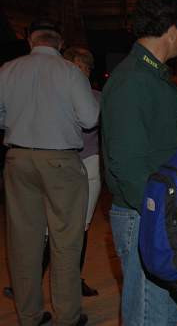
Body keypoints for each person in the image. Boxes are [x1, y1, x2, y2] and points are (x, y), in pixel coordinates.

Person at [0, 20, 98, 326]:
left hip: (17, 158)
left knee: (23, 241)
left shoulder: (7, 70)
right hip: (60, 161)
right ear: (60, 42)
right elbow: (90, 118)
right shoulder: (70, 73)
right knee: (66, 241)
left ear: (30, 40)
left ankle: (29, 316)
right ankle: (67, 316)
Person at [101, 0, 177, 326]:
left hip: (153, 209)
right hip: (143, 213)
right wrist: (158, 215)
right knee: (148, 312)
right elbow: (127, 163)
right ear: (172, 29)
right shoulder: (133, 80)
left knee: (161, 309)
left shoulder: (151, 75)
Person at [63, 46, 101, 297]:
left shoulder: (97, 96)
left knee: (82, 227)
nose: (83, 72)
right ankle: (33, 279)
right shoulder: (54, 96)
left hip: (89, 162)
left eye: (86, 67)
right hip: (61, 163)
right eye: (78, 66)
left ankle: (75, 278)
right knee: (52, 227)